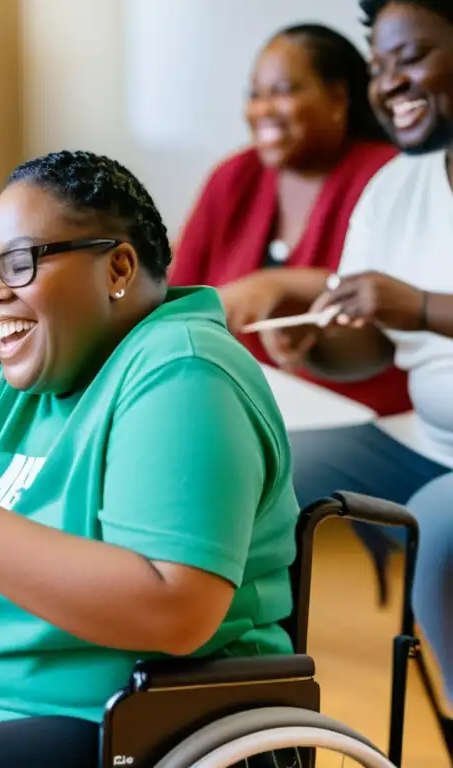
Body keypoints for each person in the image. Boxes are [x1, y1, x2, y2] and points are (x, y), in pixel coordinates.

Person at [0, 151, 300, 768]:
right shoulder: (18, 389)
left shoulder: (182, 372)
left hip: (147, 716)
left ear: (118, 267)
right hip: (8, 698)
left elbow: (175, 610)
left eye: (18, 265)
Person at [263, 0, 453, 707]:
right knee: (262, 475)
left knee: (440, 522)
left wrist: (423, 306)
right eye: (379, 65)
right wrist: (316, 344)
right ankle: (257, 709)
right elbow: (371, 345)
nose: (388, 85)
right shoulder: (397, 185)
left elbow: (405, 311)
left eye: (411, 60)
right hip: (426, 441)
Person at [171, 23, 410, 416]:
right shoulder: (233, 176)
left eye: (283, 91)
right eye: (255, 94)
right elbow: (179, 294)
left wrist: (276, 284)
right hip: (233, 402)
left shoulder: (388, 176)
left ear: (338, 98)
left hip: (359, 413)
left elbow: (395, 294)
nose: (263, 109)